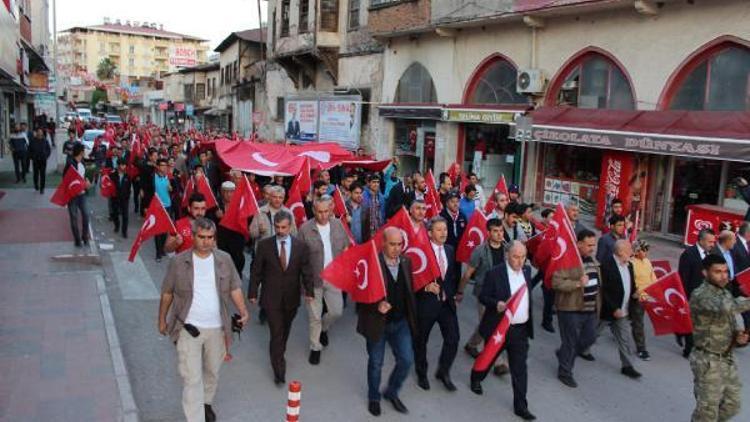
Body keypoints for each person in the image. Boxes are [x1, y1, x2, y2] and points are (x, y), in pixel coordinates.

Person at [158, 217, 249, 422]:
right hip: (187, 327)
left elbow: (234, 286)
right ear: (193, 236)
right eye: (202, 237)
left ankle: (206, 402)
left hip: (217, 328)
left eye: (210, 237)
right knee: (192, 379)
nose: (206, 241)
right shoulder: (179, 262)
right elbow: (167, 294)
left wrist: (243, 310)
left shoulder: (224, 259)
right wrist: (162, 320)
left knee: (212, 371)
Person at [470, 241, 536, 420]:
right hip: (499, 328)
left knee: (519, 368)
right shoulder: (495, 273)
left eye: (523, 257)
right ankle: (476, 378)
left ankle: (521, 406)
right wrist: (496, 304)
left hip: (520, 330)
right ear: (507, 255)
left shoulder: (527, 272)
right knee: (488, 357)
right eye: (516, 256)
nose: (520, 261)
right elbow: (483, 296)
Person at [357, 227, 417, 417]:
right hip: (378, 324)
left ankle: (392, 391)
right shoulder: (371, 264)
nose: (397, 248)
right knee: (376, 363)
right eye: (392, 244)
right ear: (383, 243)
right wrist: (376, 306)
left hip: (400, 323)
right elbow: (360, 295)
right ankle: (374, 397)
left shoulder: (406, 262)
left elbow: (409, 291)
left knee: (406, 360)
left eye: (400, 244)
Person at [249, 211, 314, 385]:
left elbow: (306, 271)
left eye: (283, 227)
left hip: (291, 298)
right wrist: (253, 292)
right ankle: (279, 369)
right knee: (276, 333)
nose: (280, 231)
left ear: (290, 226)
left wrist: (309, 292)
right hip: (271, 297)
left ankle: (279, 352)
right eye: (277, 227)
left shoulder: (301, 247)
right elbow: (256, 271)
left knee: (285, 330)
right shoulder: (264, 246)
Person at [689, 254, 750, 422]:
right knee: (707, 413)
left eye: (725, 271)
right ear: (705, 273)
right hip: (707, 361)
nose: (724, 275)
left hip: (727, 358)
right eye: (717, 272)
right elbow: (728, 308)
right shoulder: (701, 294)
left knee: (733, 405)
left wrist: (738, 336)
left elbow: (727, 320)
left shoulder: (723, 292)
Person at [298, 196, 350, 365]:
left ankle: (324, 329)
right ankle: (315, 347)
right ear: (314, 211)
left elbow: (345, 246)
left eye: (326, 211)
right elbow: (300, 258)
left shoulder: (337, 225)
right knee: (314, 316)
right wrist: (304, 285)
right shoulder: (305, 229)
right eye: (319, 212)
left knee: (336, 311)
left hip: (333, 277)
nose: (323, 215)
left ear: (331, 210)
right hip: (313, 279)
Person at [414, 217, 460, 392]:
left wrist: (453, 294)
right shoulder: (421, 252)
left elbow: (451, 276)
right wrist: (425, 286)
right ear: (430, 233)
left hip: (446, 304)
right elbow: (412, 277)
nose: (444, 233)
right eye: (439, 230)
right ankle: (421, 373)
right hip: (426, 304)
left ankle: (443, 371)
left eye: (445, 229)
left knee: (453, 339)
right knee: (421, 340)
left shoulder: (449, 250)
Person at [460, 218, 509, 375]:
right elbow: (468, 273)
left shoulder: (508, 249)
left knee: (486, 324)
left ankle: (472, 345)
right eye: (495, 231)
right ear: (488, 233)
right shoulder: (480, 251)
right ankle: (499, 362)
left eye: (501, 231)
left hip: (502, 294)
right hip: (484, 293)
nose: (499, 234)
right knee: (493, 327)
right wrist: (460, 292)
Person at [552, 229, 601, 388]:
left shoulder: (593, 260)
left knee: (590, 338)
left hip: (590, 309)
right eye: (588, 245)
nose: (592, 248)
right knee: (571, 341)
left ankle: (564, 353)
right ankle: (565, 372)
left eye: (593, 245)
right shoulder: (567, 259)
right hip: (570, 309)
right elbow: (557, 283)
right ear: (578, 243)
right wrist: (578, 283)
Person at [598, 240, 642, 379]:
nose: (632, 252)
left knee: (625, 338)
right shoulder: (607, 265)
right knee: (592, 334)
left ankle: (627, 366)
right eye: (629, 250)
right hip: (608, 311)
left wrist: (634, 294)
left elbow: (631, 284)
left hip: (622, 311)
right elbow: (605, 291)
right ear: (620, 251)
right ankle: (577, 350)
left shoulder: (629, 265)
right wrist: (614, 308)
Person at [678, 228, 717, 358]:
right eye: (710, 241)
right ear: (700, 240)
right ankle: (688, 350)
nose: (712, 244)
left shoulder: (710, 255)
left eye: (713, 241)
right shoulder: (689, 254)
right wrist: (685, 299)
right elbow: (683, 279)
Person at [631, 239, 656, 360]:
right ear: (637, 250)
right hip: (636, 298)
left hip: (646, 297)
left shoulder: (647, 262)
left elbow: (653, 278)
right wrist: (635, 293)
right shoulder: (631, 263)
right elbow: (631, 281)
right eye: (643, 249)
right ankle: (641, 349)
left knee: (635, 321)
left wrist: (655, 291)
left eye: (647, 249)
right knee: (638, 323)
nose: (646, 252)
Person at [216, 181, 247, 276]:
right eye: (226, 192)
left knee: (237, 269)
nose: (229, 194)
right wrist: (217, 218)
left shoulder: (240, 204)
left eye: (231, 192)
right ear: (222, 192)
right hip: (221, 243)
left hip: (237, 243)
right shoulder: (216, 205)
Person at [64, 144, 92, 247]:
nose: (85, 152)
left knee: (86, 215)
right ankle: (77, 240)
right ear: (80, 152)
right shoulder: (70, 164)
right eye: (84, 151)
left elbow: (83, 176)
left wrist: (86, 181)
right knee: (74, 217)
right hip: (72, 196)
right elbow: (67, 180)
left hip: (82, 194)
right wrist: (83, 184)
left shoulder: (83, 163)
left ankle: (85, 237)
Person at [153, 158, 173, 261]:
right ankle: (158, 253)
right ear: (158, 167)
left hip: (167, 205)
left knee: (165, 229)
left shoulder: (168, 177)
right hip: (157, 206)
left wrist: (171, 188)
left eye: (165, 165)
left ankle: (162, 249)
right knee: (157, 230)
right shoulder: (153, 177)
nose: (164, 167)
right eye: (162, 165)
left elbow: (172, 189)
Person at [28, 127, 51, 194]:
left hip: (43, 160)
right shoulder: (32, 140)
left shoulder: (45, 141)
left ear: (42, 133)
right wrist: (32, 157)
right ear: (36, 132)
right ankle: (36, 185)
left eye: (41, 131)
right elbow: (29, 150)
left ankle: (42, 188)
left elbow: (48, 150)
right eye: (38, 131)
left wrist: (46, 156)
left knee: (42, 174)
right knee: (35, 174)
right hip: (35, 160)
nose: (39, 133)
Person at [362, 174, 385, 240]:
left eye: (378, 182)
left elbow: (383, 214)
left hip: (379, 229)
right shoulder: (363, 195)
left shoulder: (381, 197)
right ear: (369, 183)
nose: (376, 184)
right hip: (367, 230)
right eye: (374, 182)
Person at [112, 161, 132, 238]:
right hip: (115, 197)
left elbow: (129, 188)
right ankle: (117, 226)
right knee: (115, 213)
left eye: (125, 165)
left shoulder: (127, 176)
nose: (124, 167)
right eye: (122, 165)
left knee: (125, 216)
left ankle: (124, 231)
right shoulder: (113, 175)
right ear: (118, 165)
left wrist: (127, 196)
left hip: (124, 198)